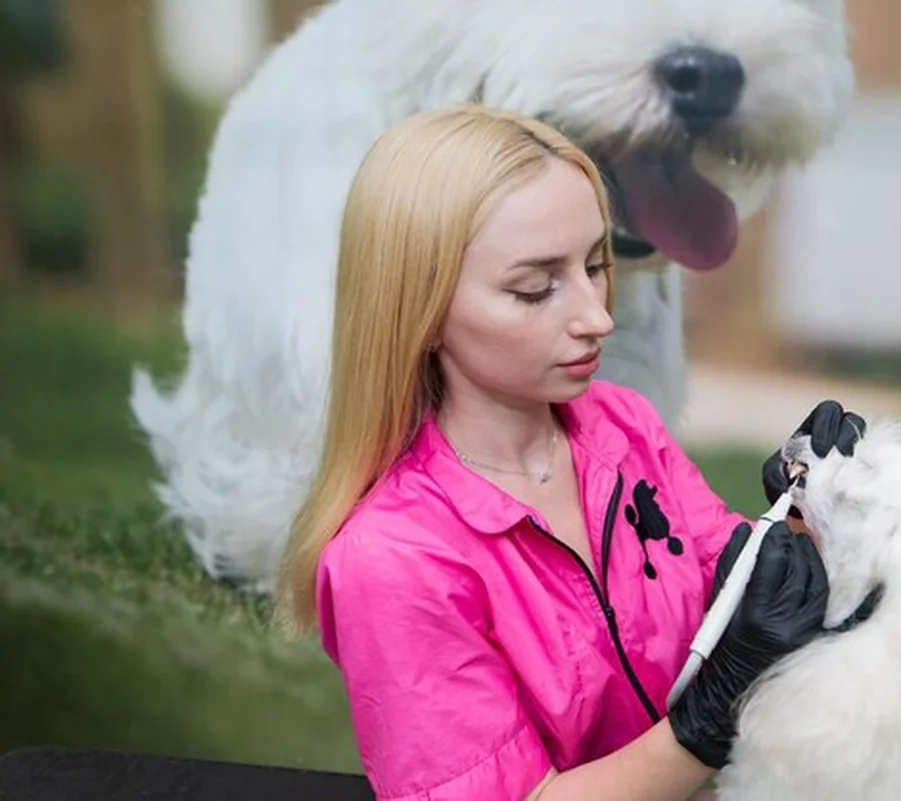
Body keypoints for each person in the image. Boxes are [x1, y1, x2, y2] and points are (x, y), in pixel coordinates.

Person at [274, 103, 870, 801]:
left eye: (596, 266)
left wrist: (804, 515)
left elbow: (735, 598)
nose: (596, 316)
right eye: (536, 289)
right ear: (422, 312)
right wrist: (702, 726)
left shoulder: (622, 426)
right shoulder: (393, 559)